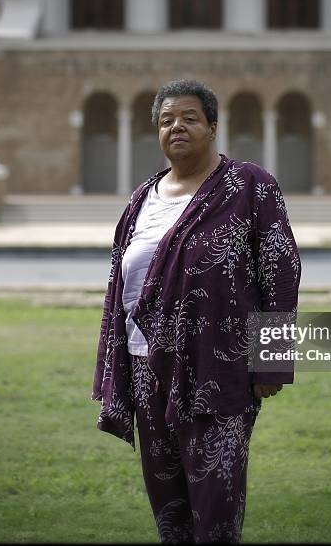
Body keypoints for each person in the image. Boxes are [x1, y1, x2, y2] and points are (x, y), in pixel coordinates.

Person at [91, 78, 301, 544]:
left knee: (216, 507)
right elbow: (118, 286)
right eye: (166, 120)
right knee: (169, 509)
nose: (176, 127)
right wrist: (117, 368)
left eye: (188, 118)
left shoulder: (249, 186)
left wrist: (271, 359)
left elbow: (281, 272)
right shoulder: (141, 199)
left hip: (217, 367)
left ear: (212, 127)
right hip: (147, 369)